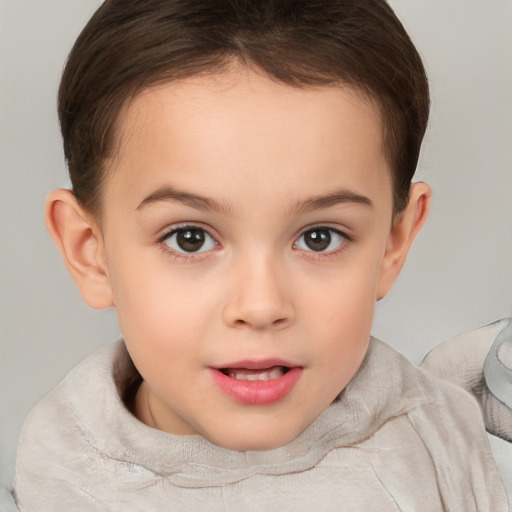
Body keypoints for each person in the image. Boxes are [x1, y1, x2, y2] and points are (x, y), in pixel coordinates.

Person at [7, 0, 511, 510]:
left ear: (393, 242)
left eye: (319, 237)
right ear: (90, 252)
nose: (261, 304)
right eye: (190, 239)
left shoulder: (443, 440)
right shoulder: (58, 480)